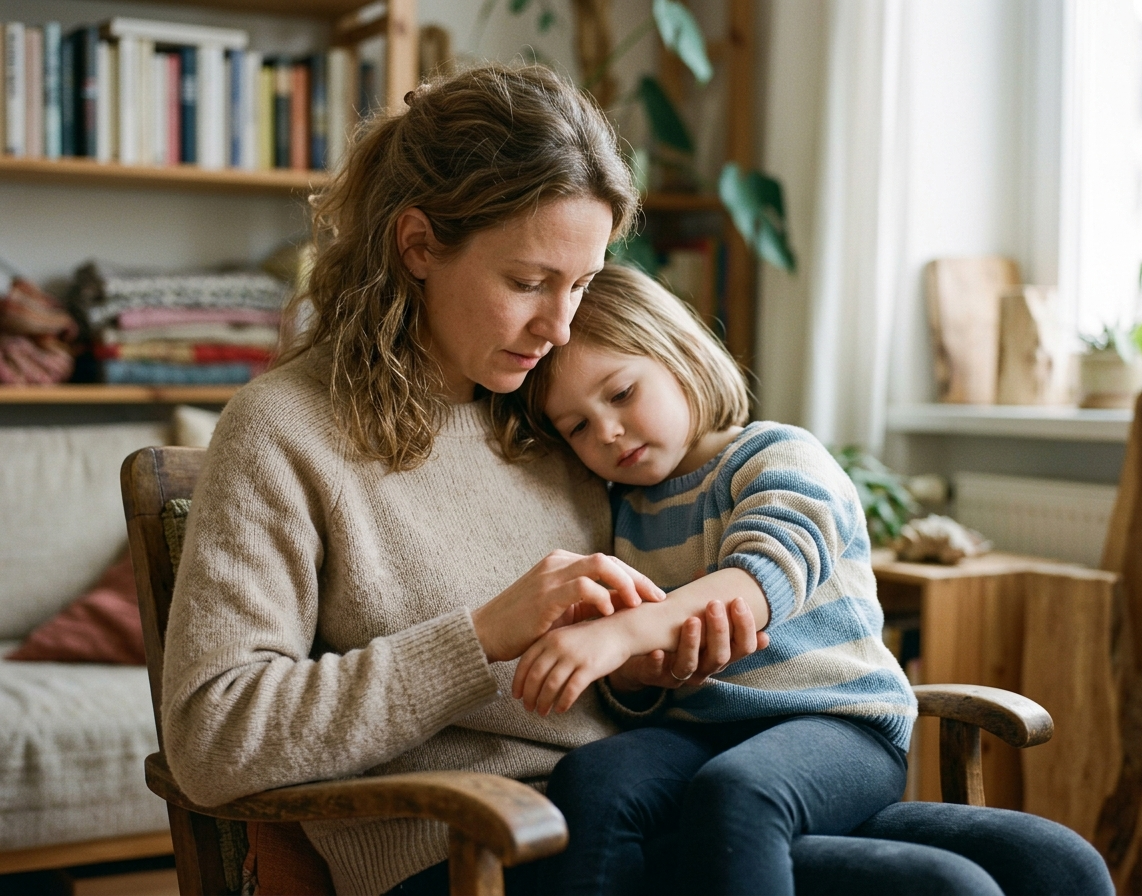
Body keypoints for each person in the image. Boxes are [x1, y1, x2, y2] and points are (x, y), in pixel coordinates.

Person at [159, 64, 764, 896]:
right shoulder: (283, 432)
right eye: (528, 283)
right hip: (470, 856)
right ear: (418, 247)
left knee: (969, 871)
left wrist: (649, 670)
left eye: (582, 283)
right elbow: (213, 737)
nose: (559, 327)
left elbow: (606, 694)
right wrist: (480, 635)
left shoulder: (558, 421)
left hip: (645, 814)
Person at [494, 263, 915, 895]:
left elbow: (761, 580)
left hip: (838, 723)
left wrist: (619, 635)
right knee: (592, 780)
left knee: (738, 793)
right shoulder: (626, 513)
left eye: (620, 393)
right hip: (702, 732)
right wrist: (635, 673)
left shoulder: (776, 454)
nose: (606, 431)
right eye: (577, 426)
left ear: (681, 356)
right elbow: (639, 687)